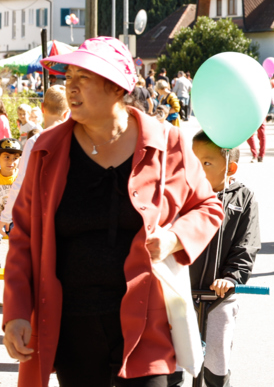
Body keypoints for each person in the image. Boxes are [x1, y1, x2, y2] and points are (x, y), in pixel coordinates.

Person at [3, 36, 223, 386]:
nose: (69, 88)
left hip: (148, 326)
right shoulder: (48, 149)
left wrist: (173, 239)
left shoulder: (168, 143)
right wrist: (15, 312)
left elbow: (208, 206)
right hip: (72, 327)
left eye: (83, 78)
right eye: (68, 77)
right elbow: (24, 237)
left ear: (116, 87)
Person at [168, 132, 261, 387]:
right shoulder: (180, 194)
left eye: (206, 163)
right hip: (179, 292)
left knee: (216, 360)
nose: (196, 168)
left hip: (219, 295)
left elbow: (247, 245)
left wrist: (231, 277)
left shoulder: (243, 199)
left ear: (230, 168)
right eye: (192, 160)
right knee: (170, 363)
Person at [1, 85, 69, 232]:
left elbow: (21, 181)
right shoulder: (72, 140)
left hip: (40, 212)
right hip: (67, 211)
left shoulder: (34, 141)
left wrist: (6, 216)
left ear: (42, 107)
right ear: (66, 114)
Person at [0, 138, 22, 237]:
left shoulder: (22, 178)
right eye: (7, 157)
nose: (11, 161)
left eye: (15, 158)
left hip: (16, 220)